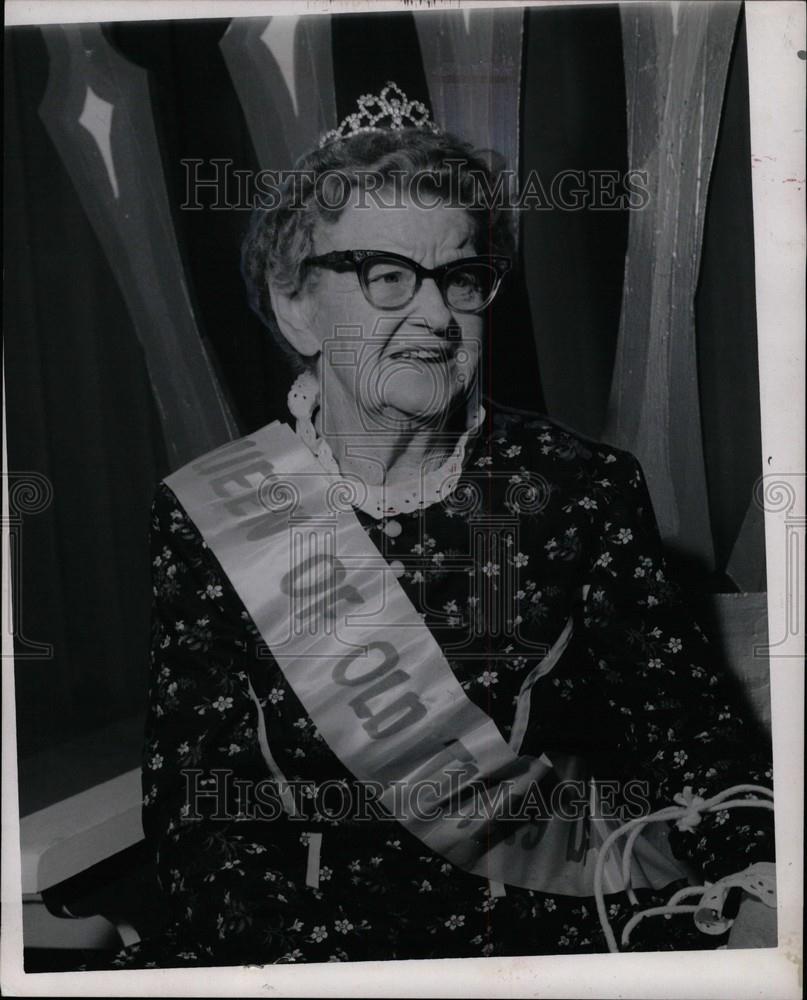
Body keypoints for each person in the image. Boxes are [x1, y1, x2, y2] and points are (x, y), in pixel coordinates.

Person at [122, 85, 774, 967]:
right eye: (385, 275)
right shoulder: (209, 511)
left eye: (460, 278)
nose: (433, 316)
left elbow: (695, 748)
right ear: (295, 306)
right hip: (300, 955)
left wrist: (756, 895)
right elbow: (198, 808)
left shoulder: (579, 489)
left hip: (550, 944)